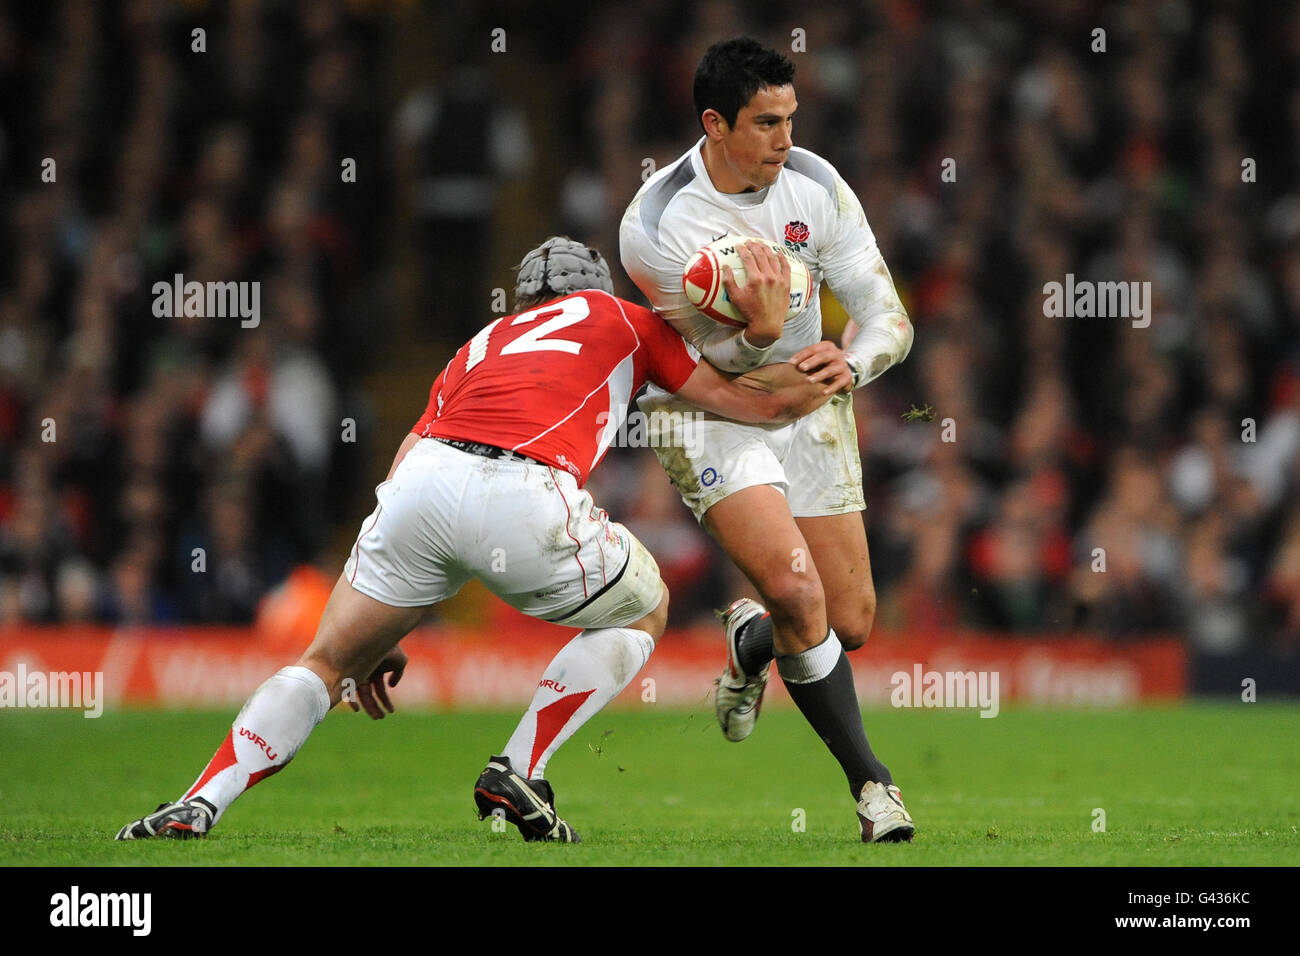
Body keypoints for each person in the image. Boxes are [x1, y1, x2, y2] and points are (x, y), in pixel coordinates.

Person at [115, 235, 832, 843]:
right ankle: (521, 766)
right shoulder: (623, 318)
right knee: (643, 608)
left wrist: (391, 618)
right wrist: (799, 350)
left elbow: (404, 461)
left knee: (329, 659)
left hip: (421, 487)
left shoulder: (479, 345)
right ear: (596, 287)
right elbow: (758, 402)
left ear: (522, 302)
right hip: (525, 491)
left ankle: (202, 799)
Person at [619, 37, 917, 842]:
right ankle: (873, 787)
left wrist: (850, 361)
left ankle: (751, 640)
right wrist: (758, 336)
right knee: (797, 589)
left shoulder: (816, 186)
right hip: (708, 413)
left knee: (847, 623)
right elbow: (700, 369)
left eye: (792, 117)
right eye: (766, 123)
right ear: (714, 124)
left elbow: (890, 316)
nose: (788, 139)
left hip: (813, 406)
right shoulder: (656, 223)